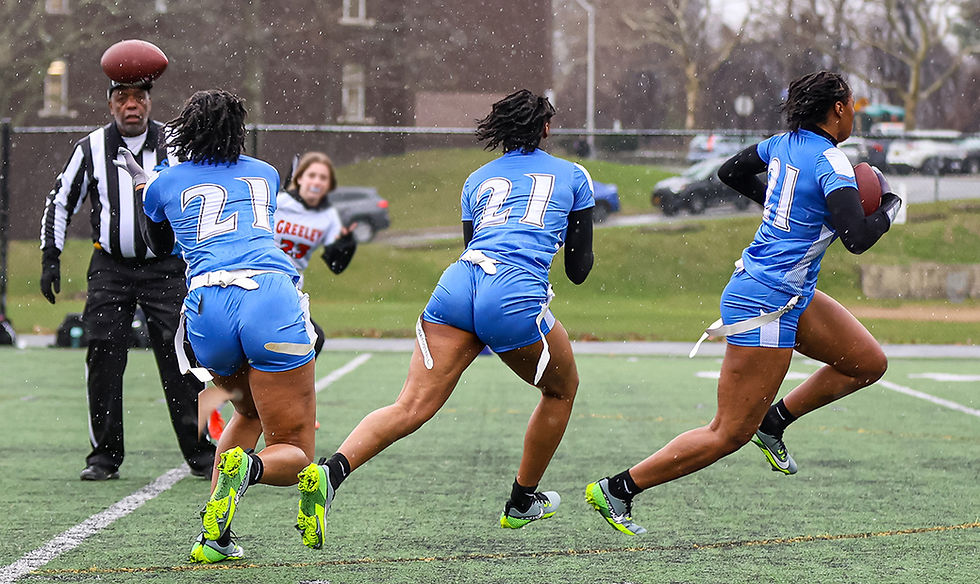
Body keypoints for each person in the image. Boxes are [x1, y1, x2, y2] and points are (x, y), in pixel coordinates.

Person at [585, 71, 903, 535]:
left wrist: (781, 204)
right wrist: (891, 207)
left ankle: (774, 423)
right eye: (852, 104)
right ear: (838, 109)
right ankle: (618, 488)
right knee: (728, 432)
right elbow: (856, 238)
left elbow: (729, 172)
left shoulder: (781, 143)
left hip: (789, 291)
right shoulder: (833, 162)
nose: (853, 112)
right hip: (766, 300)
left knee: (867, 362)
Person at [293, 89, 596, 550]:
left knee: (409, 407)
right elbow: (578, 271)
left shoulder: (476, 180)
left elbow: (474, 245)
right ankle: (520, 502)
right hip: (511, 293)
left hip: (457, 288)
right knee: (561, 390)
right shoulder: (573, 175)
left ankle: (330, 471)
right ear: (546, 129)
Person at [115, 89, 318, 563]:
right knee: (294, 452)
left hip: (207, 307)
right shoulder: (265, 173)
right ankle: (245, 472)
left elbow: (160, 244)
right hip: (266, 297)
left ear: (186, 130)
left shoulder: (168, 180)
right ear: (238, 131)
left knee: (247, 413)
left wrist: (151, 191)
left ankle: (214, 536)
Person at [39, 75, 214, 481]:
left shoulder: (174, 145)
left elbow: (198, 191)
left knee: (182, 359)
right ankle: (104, 456)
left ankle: (201, 452)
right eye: (122, 98)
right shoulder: (91, 148)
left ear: (150, 102)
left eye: (139, 97)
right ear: (110, 104)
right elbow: (61, 200)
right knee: (102, 354)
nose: (131, 105)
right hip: (111, 266)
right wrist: (51, 255)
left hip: (166, 267)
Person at [274, 151, 357, 358]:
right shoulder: (279, 202)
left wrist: (347, 241)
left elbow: (336, 265)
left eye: (323, 178)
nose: (317, 182)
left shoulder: (327, 216)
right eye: (312, 175)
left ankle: (290, 388)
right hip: (264, 280)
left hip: (291, 292)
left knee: (314, 339)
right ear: (299, 178)